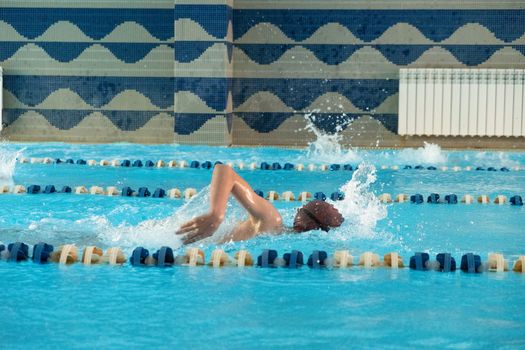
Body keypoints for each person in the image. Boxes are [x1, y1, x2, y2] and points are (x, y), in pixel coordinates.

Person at [176, 164, 344, 244]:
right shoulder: (272, 221)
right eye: (330, 207)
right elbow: (224, 170)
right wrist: (216, 214)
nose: (335, 207)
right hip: (176, 238)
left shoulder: (276, 233)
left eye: (330, 208)